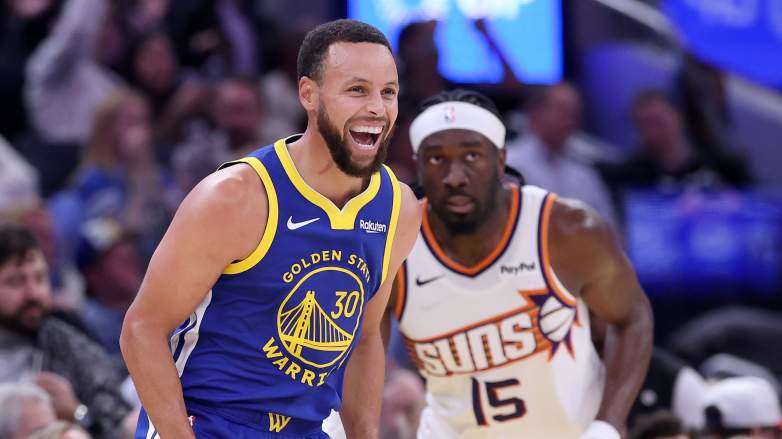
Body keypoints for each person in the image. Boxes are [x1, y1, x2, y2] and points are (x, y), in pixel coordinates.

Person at [120, 19, 420, 439]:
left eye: (388, 92)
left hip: (305, 429)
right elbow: (142, 329)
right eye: (357, 90)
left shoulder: (398, 208)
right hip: (205, 424)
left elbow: (366, 339)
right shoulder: (235, 197)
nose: (377, 107)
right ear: (308, 95)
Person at [386, 89, 653, 438]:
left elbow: (632, 316)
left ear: (500, 160)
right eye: (437, 159)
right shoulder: (395, 247)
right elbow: (361, 355)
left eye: (471, 156)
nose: (455, 176)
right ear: (417, 164)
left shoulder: (566, 230)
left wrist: (608, 426)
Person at [0, 224, 134, 438]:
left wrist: (78, 414)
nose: (33, 293)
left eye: (39, 278)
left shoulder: (66, 342)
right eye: (16, 282)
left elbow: (124, 426)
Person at [505, 82, 618, 227]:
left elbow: (610, 230)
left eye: (575, 113)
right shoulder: (509, 163)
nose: (570, 120)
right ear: (535, 113)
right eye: (563, 111)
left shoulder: (585, 173)